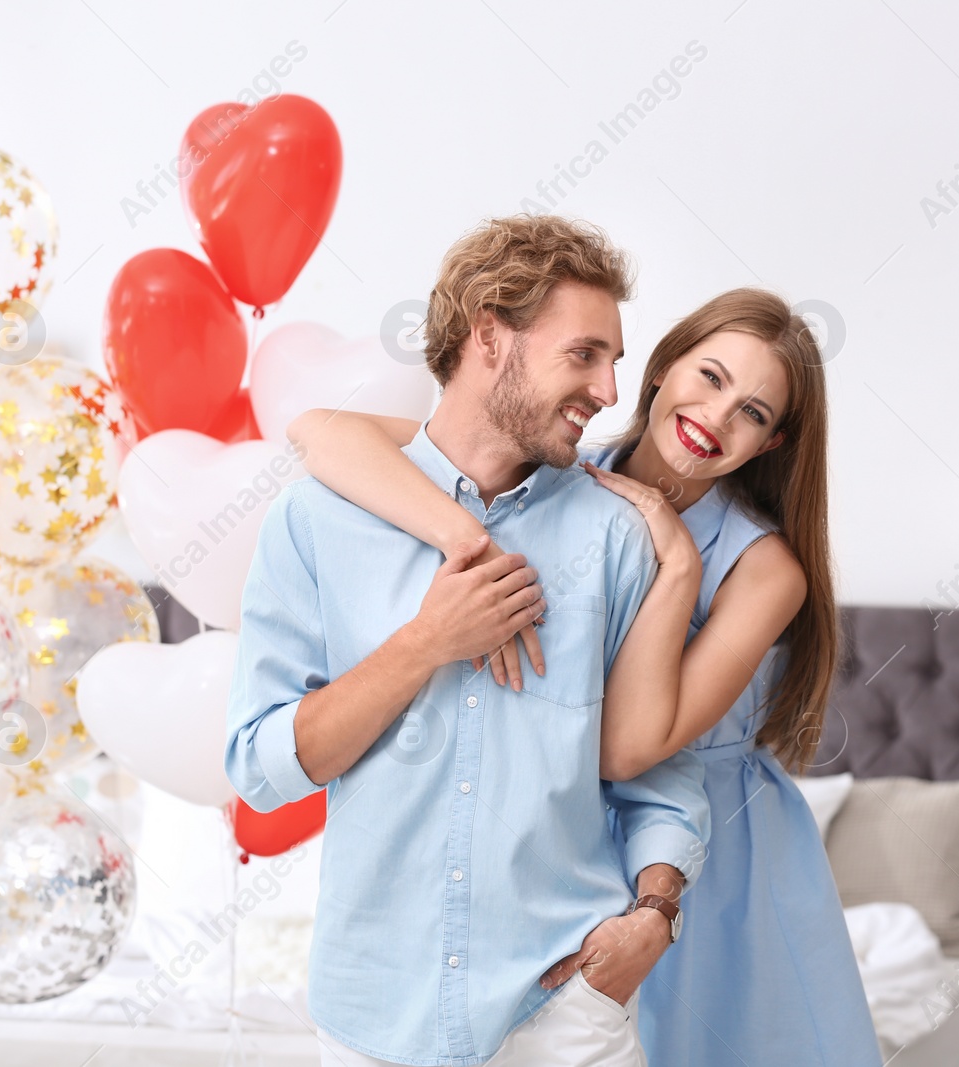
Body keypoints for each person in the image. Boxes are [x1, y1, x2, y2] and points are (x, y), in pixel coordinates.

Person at [288, 287, 884, 1066]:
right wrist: (469, 540)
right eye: (708, 376)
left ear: (771, 445)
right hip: (562, 830)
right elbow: (320, 431)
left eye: (755, 412)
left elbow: (628, 749)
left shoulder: (767, 570)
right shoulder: (558, 471)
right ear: (662, 367)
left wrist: (677, 563)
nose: (717, 415)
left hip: (714, 854)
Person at [227, 214, 711, 1067]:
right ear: (491, 336)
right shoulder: (315, 520)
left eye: (615, 362)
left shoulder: (615, 539)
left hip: (566, 1013)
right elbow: (263, 769)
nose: (608, 391)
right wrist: (424, 642)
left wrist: (656, 916)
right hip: (374, 1015)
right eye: (585, 353)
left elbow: (657, 768)